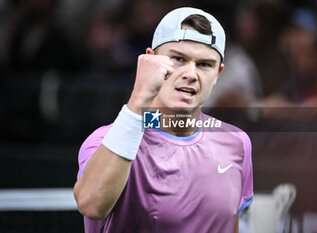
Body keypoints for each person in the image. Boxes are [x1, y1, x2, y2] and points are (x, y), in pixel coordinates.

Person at [73, 7, 253, 233]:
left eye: (204, 64)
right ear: (149, 60)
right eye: (178, 58)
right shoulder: (104, 141)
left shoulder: (236, 142)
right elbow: (91, 204)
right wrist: (140, 98)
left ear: (218, 74)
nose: (191, 73)